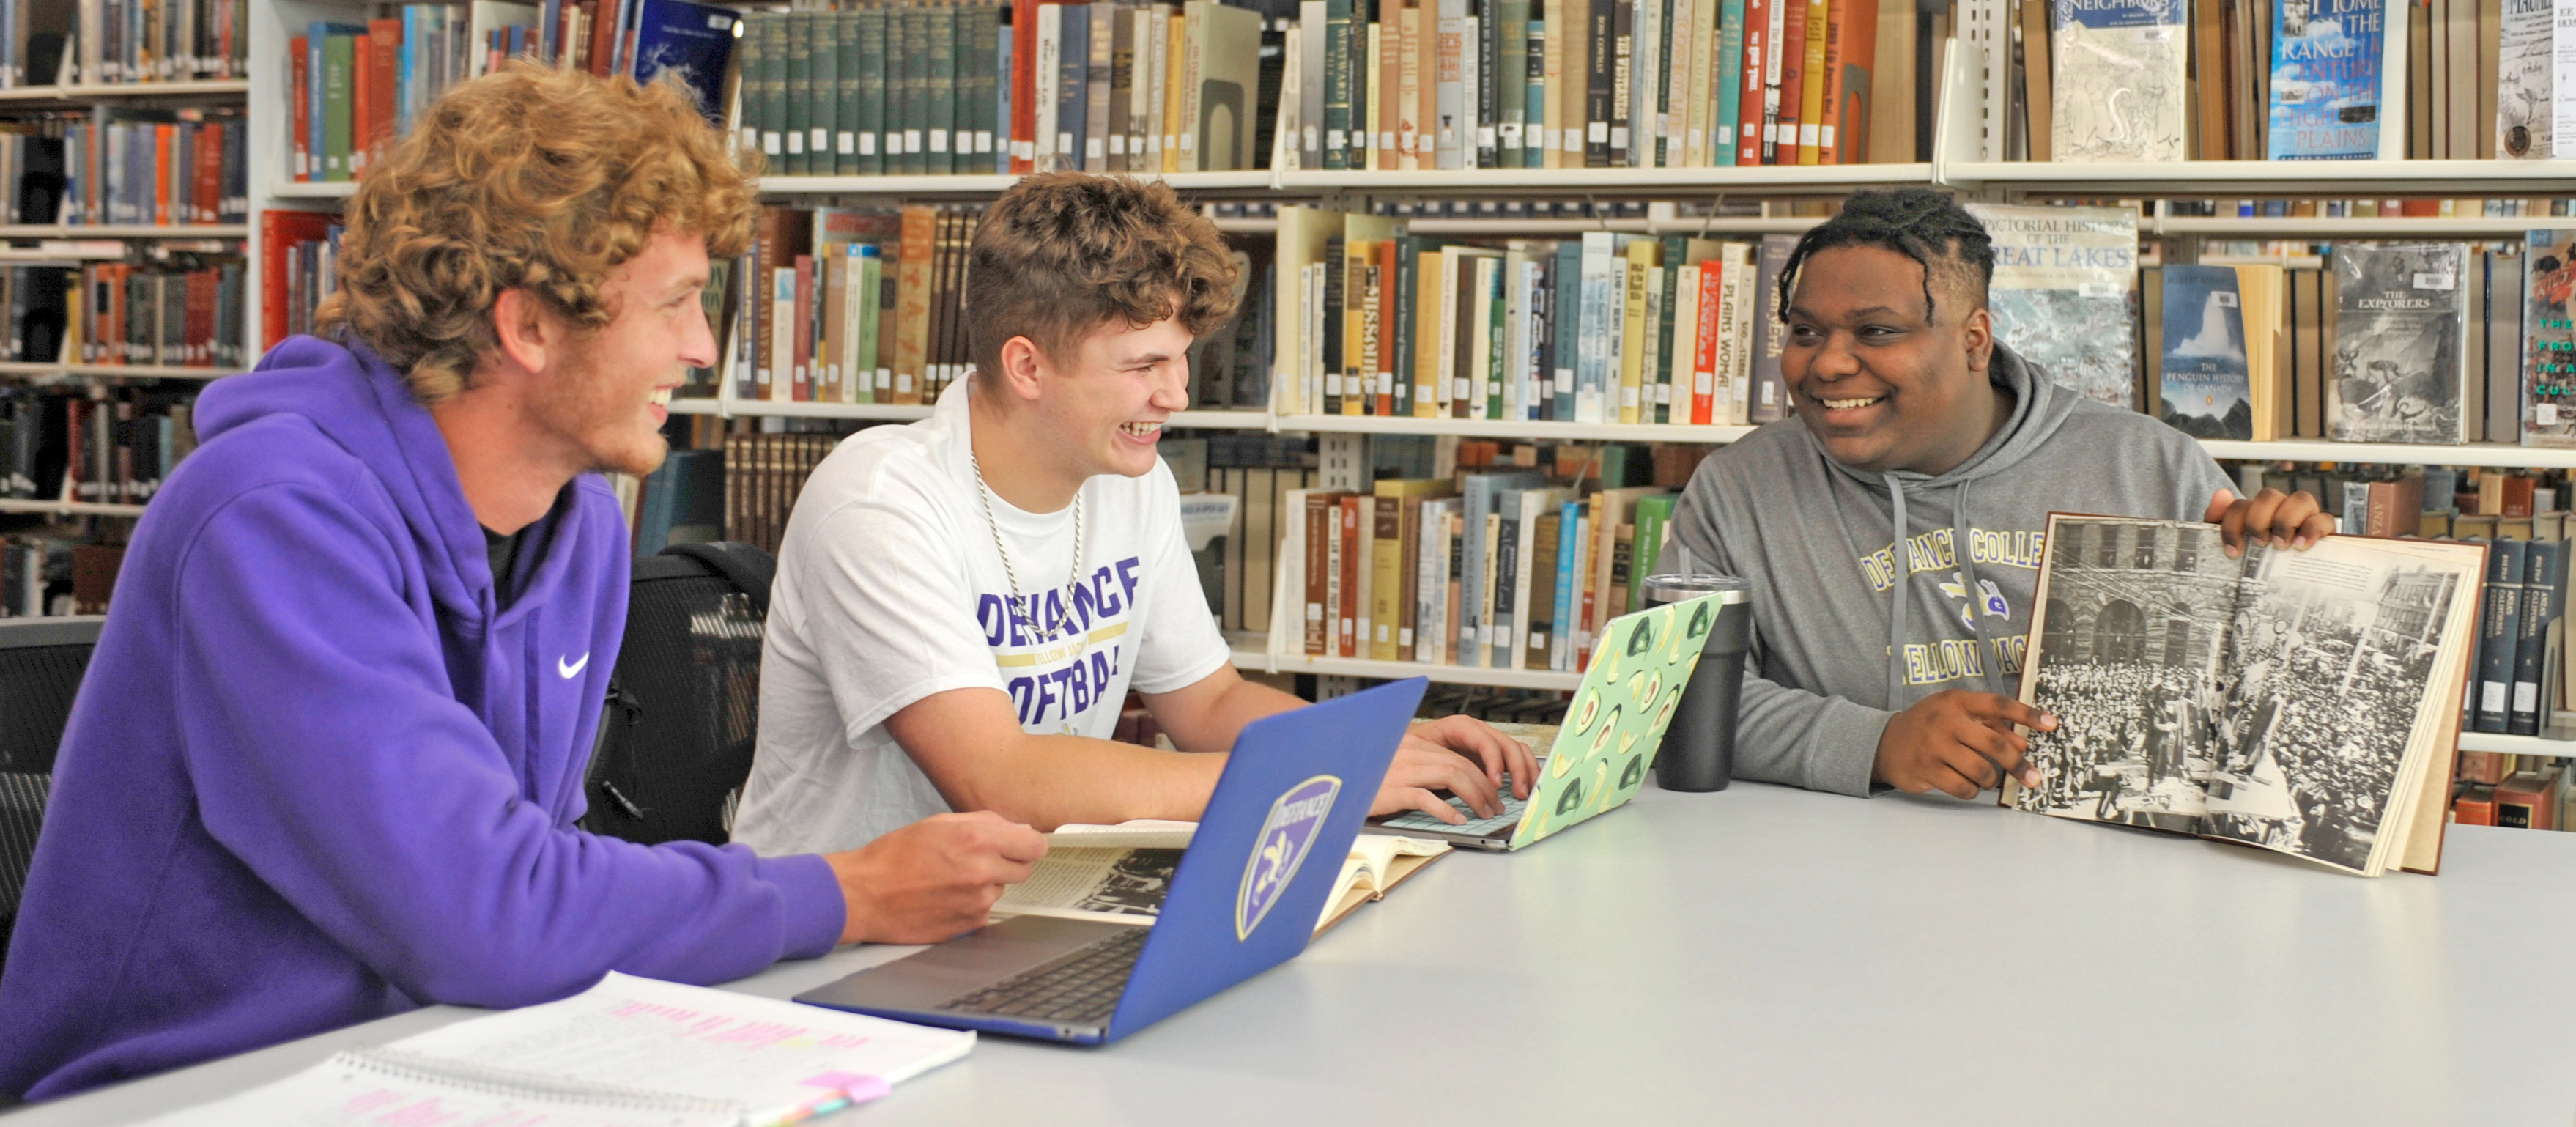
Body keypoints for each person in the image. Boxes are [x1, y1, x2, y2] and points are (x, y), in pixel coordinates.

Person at [0, 68, 1046, 1102]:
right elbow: (484, 911)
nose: (702, 346)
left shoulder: (577, 516)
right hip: (174, 1092)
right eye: (676, 303)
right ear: (531, 326)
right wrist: (846, 890)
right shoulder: (268, 515)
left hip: (435, 1059)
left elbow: (531, 864)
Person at [731, 173, 1536, 857]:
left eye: (1181, 358)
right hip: (842, 947)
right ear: (1027, 365)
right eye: (1143, 364)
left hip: (1028, 903)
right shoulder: (880, 502)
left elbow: (1210, 703)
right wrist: (1318, 774)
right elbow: (999, 778)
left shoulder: (1125, 477)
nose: (1176, 395)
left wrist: (1365, 743)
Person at [1656, 188, 2336, 802]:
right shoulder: (1739, 489)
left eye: (1877, 331)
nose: (1828, 362)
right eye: (1806, 332)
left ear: (1975, 339)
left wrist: (2282, 568)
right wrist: (1876, 744)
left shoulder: (2149, 467)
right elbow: (1671, 703)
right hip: (1839, 882)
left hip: (2102, 874)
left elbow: (2261, 704)